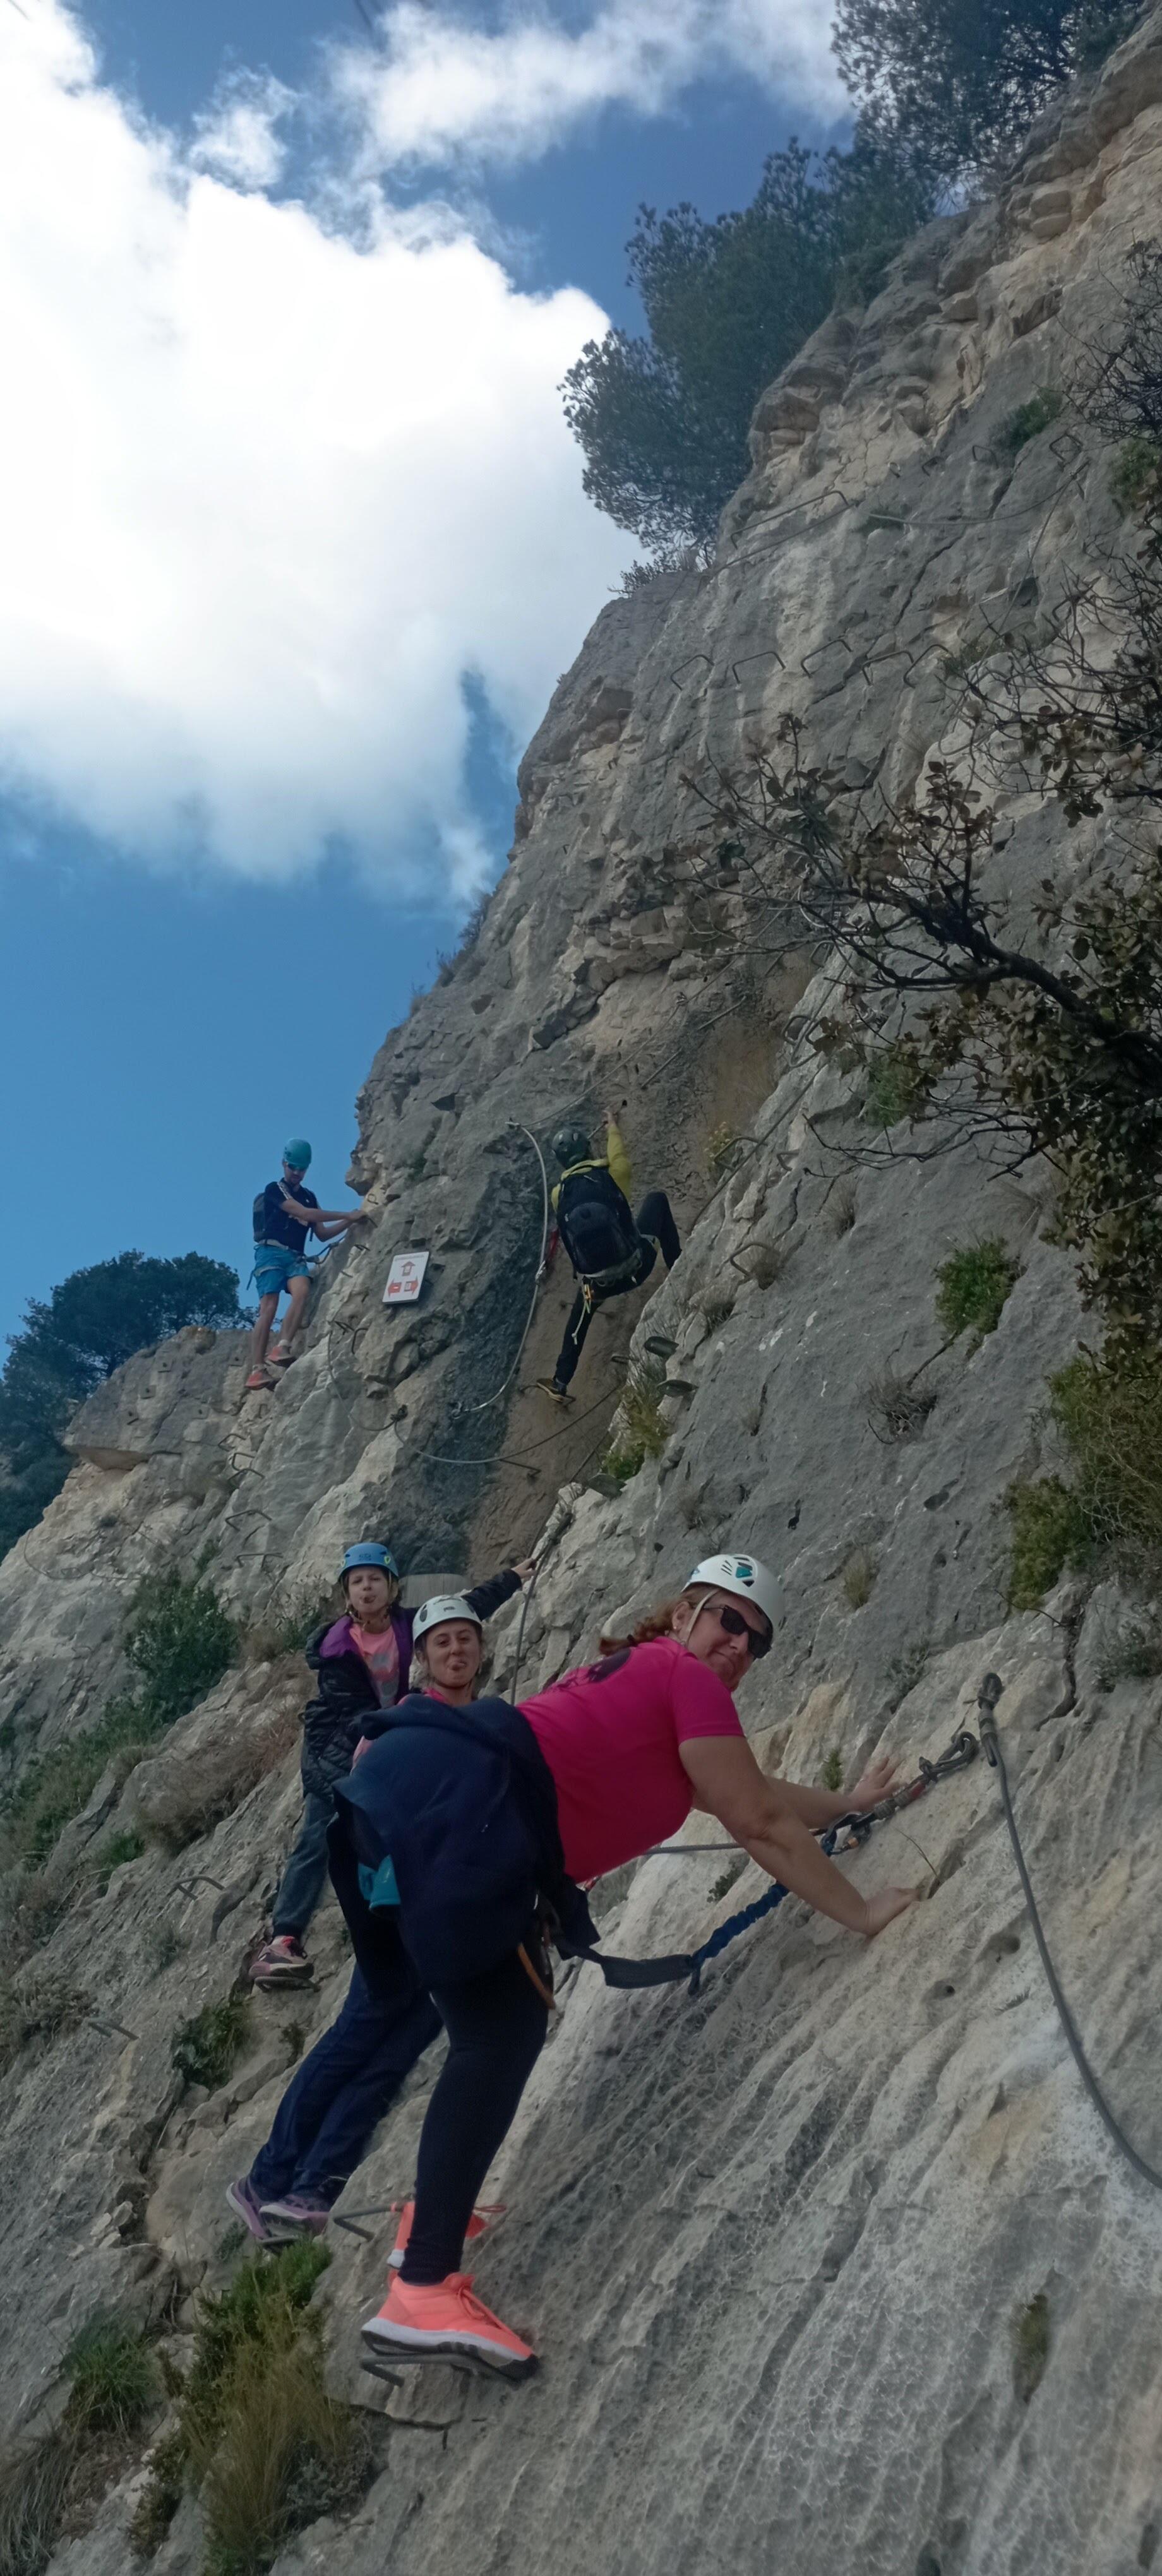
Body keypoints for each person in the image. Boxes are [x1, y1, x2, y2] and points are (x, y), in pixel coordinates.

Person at [343, 1551, 918, 2383]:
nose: (739, 1647)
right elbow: (756, 1822)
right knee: (498, 2035)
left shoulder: (654, 1681)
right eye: (729, 1620)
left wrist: (851, 1805)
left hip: (440, 1813)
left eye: (757, 1641)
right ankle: (423, 2286)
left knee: (490, 2031)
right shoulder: (683, 1677)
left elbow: (751, 1791)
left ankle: (426, 2227)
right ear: (685, 1613)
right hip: (468, 1825)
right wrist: (860, 1913)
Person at [229, 1595, 502, 2245]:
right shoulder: (396, 1725)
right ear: (423, 1658)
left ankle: (312, 2186)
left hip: (453, 1923)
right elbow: (361, 1816)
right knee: (356, 2038)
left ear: (481, 1649)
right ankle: (265, 2178)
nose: (457, 1650)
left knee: (393, 2056)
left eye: (466, 1638)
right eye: (443, 1642)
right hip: (399, 1913)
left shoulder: (489, 1727)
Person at [248, 1542, 534, 1989]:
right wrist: (403, 1717)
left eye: (375, 1579)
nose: (367, 1588)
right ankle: (282, 1942)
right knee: (320, 1835)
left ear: (392, 1587)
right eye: (357, 1582)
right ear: (347, 1593)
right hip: (336, 1747)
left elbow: (459, 1613)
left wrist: (513, 1579)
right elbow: (354, 1715)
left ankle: (398, 1906)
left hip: (384, 1733)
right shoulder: (338, 1647)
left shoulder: (406, 1625)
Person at [536, 1111, 681, 1402]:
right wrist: (613, 1127)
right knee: (657, 1200)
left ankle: (561, 1382)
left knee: (580, 1315)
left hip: (599, 1286)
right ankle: (680, 1268)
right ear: (588, 1149)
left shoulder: (558, 1195)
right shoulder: (615, 1175)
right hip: (638, 1266)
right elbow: (618, 1156)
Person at [246, 1138, 369, 1392]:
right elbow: (304, 1214)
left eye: (301, 1169)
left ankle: (283, 1346)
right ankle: (257, 1369)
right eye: (293, 1167)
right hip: (270, 1253)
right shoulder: (275, 1190)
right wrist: (346, 1214)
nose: (296, 1173)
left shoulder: (309, 1197)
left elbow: (322, 1233)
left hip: (295, 1257)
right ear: (284, 1164)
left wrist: (350, 1222)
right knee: (269, 1307)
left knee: (302, 1291)